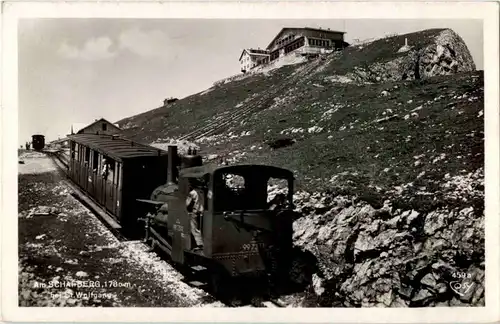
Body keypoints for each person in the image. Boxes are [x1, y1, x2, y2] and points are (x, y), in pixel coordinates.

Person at [186, 180, 204, 250]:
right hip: (202, 211)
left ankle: (199, 244)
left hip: (195, 211)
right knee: (200, 227)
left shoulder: (192, 193)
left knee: (194, 228)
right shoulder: (201, 191)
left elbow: (187, 204)